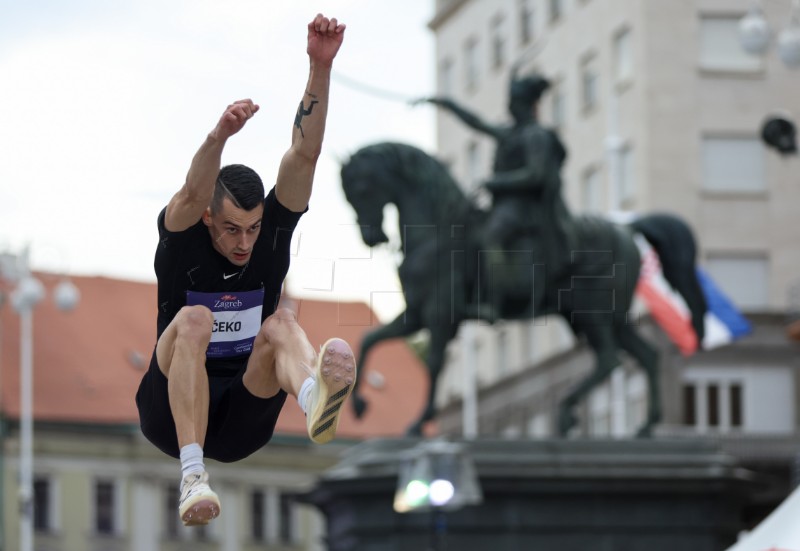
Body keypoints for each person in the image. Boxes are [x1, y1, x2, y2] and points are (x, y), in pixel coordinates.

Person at [135, 13, 355, 528]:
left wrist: (319, 66)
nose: (244, 243)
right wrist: (219, 135)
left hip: (242, 417)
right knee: (194, 321)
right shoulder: (183, 238)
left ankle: (312, 396)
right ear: (210, 219)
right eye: (232, 229)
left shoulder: (269, 233)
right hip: (171, 416)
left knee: (281, 323)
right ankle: (192, 476)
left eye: (253, 229)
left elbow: (305, 153)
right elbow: (192, 191)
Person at [418, 73, 575, 320]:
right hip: (504, 205)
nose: (511, 107)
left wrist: (496, 181)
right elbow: (477, 123)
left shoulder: (535, 135)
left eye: (515, 103)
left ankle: (495, 300)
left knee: (491, 237)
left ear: (526, 105)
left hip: (525, 207)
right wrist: (446, 103)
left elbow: (536, 175)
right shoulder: (510, 132)